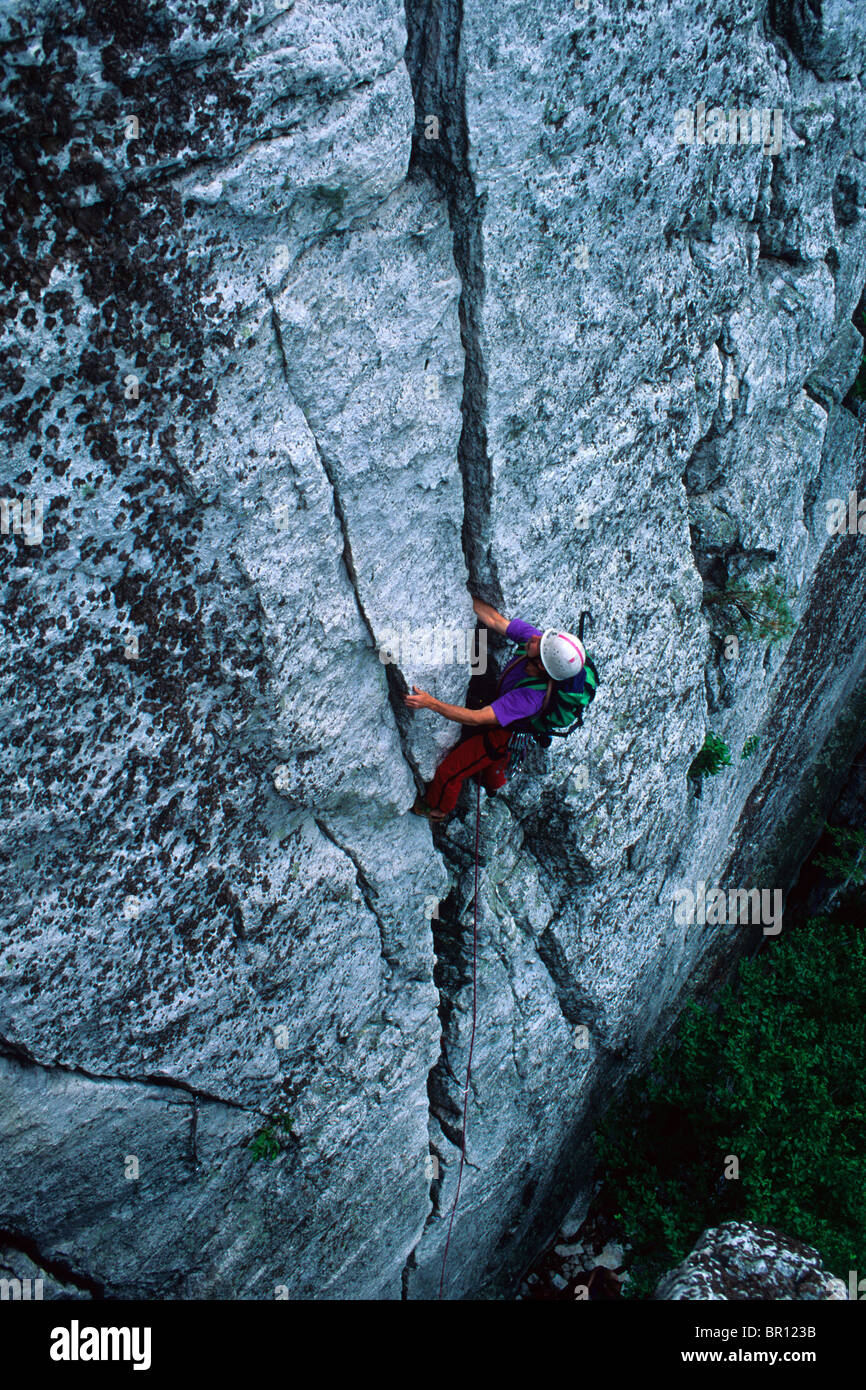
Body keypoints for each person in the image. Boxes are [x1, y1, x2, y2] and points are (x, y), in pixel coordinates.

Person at [404, 596, 586, 821]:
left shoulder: (530, 698)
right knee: (488, 769)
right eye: (542, 637)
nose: (535, 637)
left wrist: (430, 703)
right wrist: (457, 593)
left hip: (502, 732)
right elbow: (493, 619)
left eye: (540, 642)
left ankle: (437, 808)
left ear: (542, 664)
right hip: (501, 705)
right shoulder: (537, 645)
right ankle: (490, 780)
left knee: (449, 773)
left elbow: (477, 718)